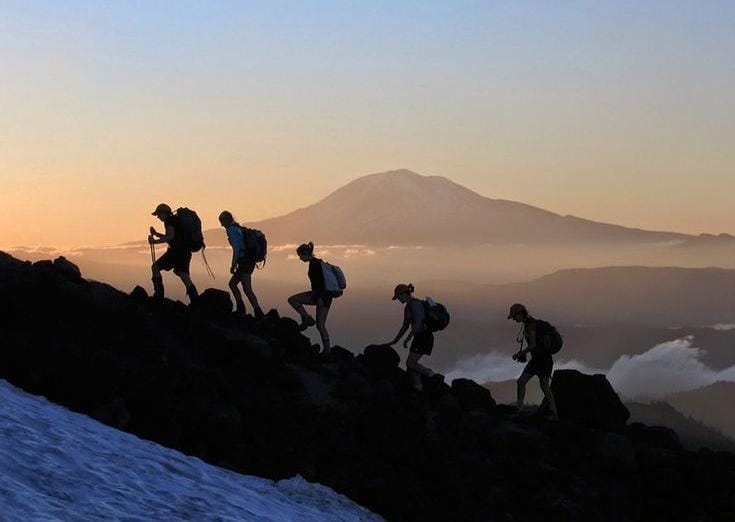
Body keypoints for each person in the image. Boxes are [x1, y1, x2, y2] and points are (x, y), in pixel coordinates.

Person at [509, 303, 559, 420]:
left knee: (543, 386)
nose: (514, 319)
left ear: (520, 314)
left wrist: (520, 354)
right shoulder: (529, 324)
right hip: (538, 360)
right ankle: (521, 408)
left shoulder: (531, 325)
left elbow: (532, 345)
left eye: (514, 316)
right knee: (524, 382)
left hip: (542, 360)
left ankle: (553, 411)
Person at [388, 284, 440, 391]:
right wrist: (395, 340)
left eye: (398, 297)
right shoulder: (408, 307)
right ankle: (418, 387)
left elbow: (418, 324)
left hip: (424, 337)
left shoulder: (415, 305)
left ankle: (431, 374)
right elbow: (405, 326)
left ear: (404, 294)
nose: (398, 299)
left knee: (410, 363)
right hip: (419, 337)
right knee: (411, 366)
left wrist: (408, 338)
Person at [287, 242, 333, 354]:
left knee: (293, 299)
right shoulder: (319, 263)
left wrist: (319, 299)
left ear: (305, 254)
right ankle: (327, 350)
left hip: (319, 296)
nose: (300, 259)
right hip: (326, 297)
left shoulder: (314, 265)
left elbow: (319, 283)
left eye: (300, 256)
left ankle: (307, 318)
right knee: (321, 325)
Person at [148, 203, 199, 303]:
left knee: (155, 267)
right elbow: (174, 237)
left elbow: (170, 237)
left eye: (158, 214)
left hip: (176, 251)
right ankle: (195, 300)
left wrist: (154, 241)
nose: (158, 217)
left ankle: (159, 296)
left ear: (164, 213)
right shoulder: (176, 220)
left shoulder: (169, 221)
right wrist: (157, 234)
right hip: (185, 251)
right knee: (182, 273)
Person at [219, 211, 264, 318]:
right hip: (248, 260)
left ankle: (257, 312)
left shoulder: (231, 230)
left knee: (247, 288)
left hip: (245, 261)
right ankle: (244, 308)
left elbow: (236, 248)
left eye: (222, 221)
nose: (221, 224)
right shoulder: (238, 228)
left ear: (226, 220)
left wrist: (233, 264)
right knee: (233, 284)